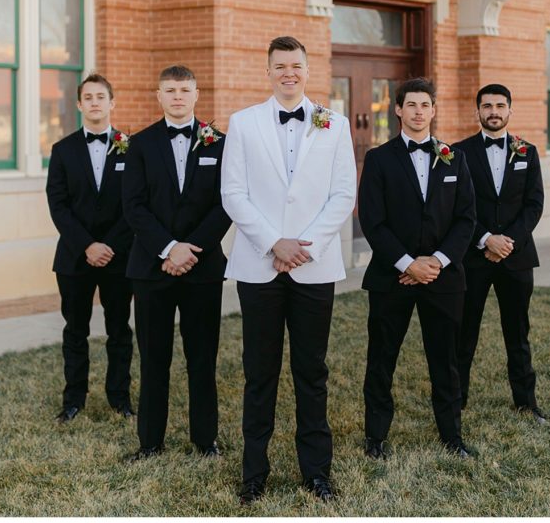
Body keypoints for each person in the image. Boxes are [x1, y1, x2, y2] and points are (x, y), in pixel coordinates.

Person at [221, 36, 356, 504]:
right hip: (258, 266)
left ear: (306, 68)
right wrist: (271, 241)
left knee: (311, 371)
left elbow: (343, 193)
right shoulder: (243, 124)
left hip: (313, 267)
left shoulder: (334, 124)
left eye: (295, 65)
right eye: (280, 66)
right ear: (268, 70)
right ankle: (253, 474)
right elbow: (233, 193)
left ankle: (316, 472)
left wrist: (305, 245)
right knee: (259, 374)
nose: (288, 73)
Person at [358, 77, 477, 460]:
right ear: (397, 110)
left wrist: (437, 262)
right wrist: (409, 264)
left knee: (447, 360)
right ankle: (375, 437)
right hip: (392, 276)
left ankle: (451, 435)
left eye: (425, 105)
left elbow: (466, 219)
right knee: (381, 358)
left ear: (434, 110)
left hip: (443, 278)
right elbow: (373, 221)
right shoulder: (379, 159)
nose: (418, 111)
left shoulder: (454, 158)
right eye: (411, 105)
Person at [122, 65, 231, 460]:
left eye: (184, 90)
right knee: (154, 359)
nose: (178, 97)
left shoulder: (219, 143)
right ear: (159, 96)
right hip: (152, 269)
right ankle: (150, 442)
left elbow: (226, 204)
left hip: (202, 269)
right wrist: (168, 248)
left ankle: (205, 440)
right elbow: (132, 207)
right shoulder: (140, 144)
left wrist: (190, 249)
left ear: (197, 93)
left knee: (202, 358)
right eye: (170, 90)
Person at [453, 83, 547, 424]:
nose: (494, 111)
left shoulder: (527, 152)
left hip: (516, 256)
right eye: (487, 105)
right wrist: (485, 240)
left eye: (500, 105)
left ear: (510, 110)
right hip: (473, 258)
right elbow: (457, 206)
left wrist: (507, 241)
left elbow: (534, 204)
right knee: (464, 332)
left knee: (517, 333)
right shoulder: (458, 152)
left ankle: (526, 402)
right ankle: (456, 401)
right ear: (477, 111)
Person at [46, 74, 136, 424]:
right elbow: (58, 205)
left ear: (112, 103)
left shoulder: (132, 146)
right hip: (74, 256)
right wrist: (87, 245)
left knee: (119, 328)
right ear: (80, 105)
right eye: (89, 97)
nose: (95, 102)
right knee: (75, 329)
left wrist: (109, 245)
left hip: (119, 257)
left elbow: (135, 204)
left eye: (102, 96)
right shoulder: (62, 150)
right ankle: (73, 400)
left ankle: (120, 398)